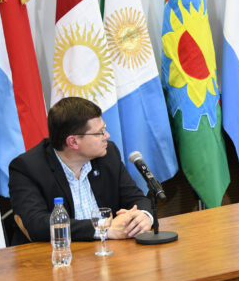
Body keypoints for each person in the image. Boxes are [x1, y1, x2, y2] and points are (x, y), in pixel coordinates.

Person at [9, 97, 152, 244]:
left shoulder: (108, 154)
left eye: (104, 128)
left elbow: (136, 199)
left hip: (108, 251)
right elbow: (37, 225)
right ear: (73, 142)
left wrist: (144, 216)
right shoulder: (27, 168)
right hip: (55, 254)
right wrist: (103, 228)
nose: (107, 136)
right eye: (100, 132)